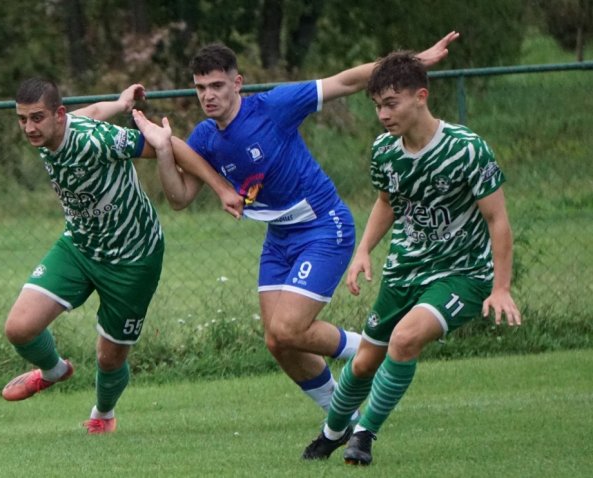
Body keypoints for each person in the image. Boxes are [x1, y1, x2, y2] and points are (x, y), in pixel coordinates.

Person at [130, 31, 461, 458]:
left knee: (288, 328)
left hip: (325, 226)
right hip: (281, 237)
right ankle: (342, 420)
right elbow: (178, 199)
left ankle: (372, 347)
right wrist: (162, 149)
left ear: (237, 83)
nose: (208, 96)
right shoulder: (206, 139)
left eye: (216, 85)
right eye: (200, 88)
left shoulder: (274, 106)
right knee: (277, 341)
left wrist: (415, 59)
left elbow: (345, 81)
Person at [307, 51, 522, 466]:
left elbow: (497, 220)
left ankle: (364, 436)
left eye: (391, 103)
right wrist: (363, 251)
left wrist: (501, 287)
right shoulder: (385, 151)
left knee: (405, 340)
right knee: (366, 360)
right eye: (376, 106)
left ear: (420, 96)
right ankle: (333, 432)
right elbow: (387, 202)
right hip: (405, 269)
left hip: (462, 273)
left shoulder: (466, 149)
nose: (383, 115)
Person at [2, 78, 242, 434]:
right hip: (80, 246)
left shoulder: (93, 139)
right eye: (22, 119)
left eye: (36, 118)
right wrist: (119, 102)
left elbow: (169, 144)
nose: (29, 128)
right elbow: (94, 112)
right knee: (19, 328)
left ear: (59, 115)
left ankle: (103, 414)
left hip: (133, 257)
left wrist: (222, 189)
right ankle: (55, 371)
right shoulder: (49, 132)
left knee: (109, 357)